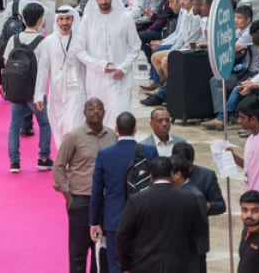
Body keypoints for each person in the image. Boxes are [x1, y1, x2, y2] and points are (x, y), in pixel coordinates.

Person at [89, 112, 156, 273]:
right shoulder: (150, 151)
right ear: (135, 129)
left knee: (116, 264)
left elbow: (97, 191)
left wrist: (94, 222)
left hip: (114, 220)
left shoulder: (105, 155)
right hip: (143, 218)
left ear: (116, 129)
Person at [54, 98, 114, 273]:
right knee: (78, 251)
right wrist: (68, 195)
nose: (95, 111)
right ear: (84, 113)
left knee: (101, 250)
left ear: (104, 111)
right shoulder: (74, 136)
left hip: (105, 201)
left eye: (99, 108)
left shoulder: (111, 136)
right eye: (91, 108)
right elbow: (58, 166)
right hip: (81, 199)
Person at [115, 156, 205, 272]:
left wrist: (125, 266)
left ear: (151, 175)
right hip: (178, 265)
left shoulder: (137, 200)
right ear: (171, 174)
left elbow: (122, 235)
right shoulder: (190, 199)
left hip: (143, 265)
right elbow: (198, 232)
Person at [74, 0, 139, 125]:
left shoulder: (125, 18)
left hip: (120, 78)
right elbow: (79, 50)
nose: (103, 1)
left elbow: (135, 47)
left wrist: (123, 68)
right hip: (96, 78)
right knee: (97, 118)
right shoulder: (87, 20)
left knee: (120, 117)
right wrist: (100, 65)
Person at [4, 3, 52, 174]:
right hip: (35, 91)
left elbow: (5, 61)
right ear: (40, 20)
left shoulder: (13, 40)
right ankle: (43, 158)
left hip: (16, 91)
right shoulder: (43, 41)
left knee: (14, 125)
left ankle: (14, 162)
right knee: (44, 124)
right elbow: (47, 66)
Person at [34, 5, 85, 141]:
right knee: (59, 128)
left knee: (74, 127)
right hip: (56, 92)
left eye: (68, 19)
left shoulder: (81, 40)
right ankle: (64, 157)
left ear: (73, 19)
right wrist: (39, 95)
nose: (64, 23)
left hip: (76, 91)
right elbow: (43, 69)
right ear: (56, 21)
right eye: (61, 19)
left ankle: (74, 158)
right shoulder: (48, 42)